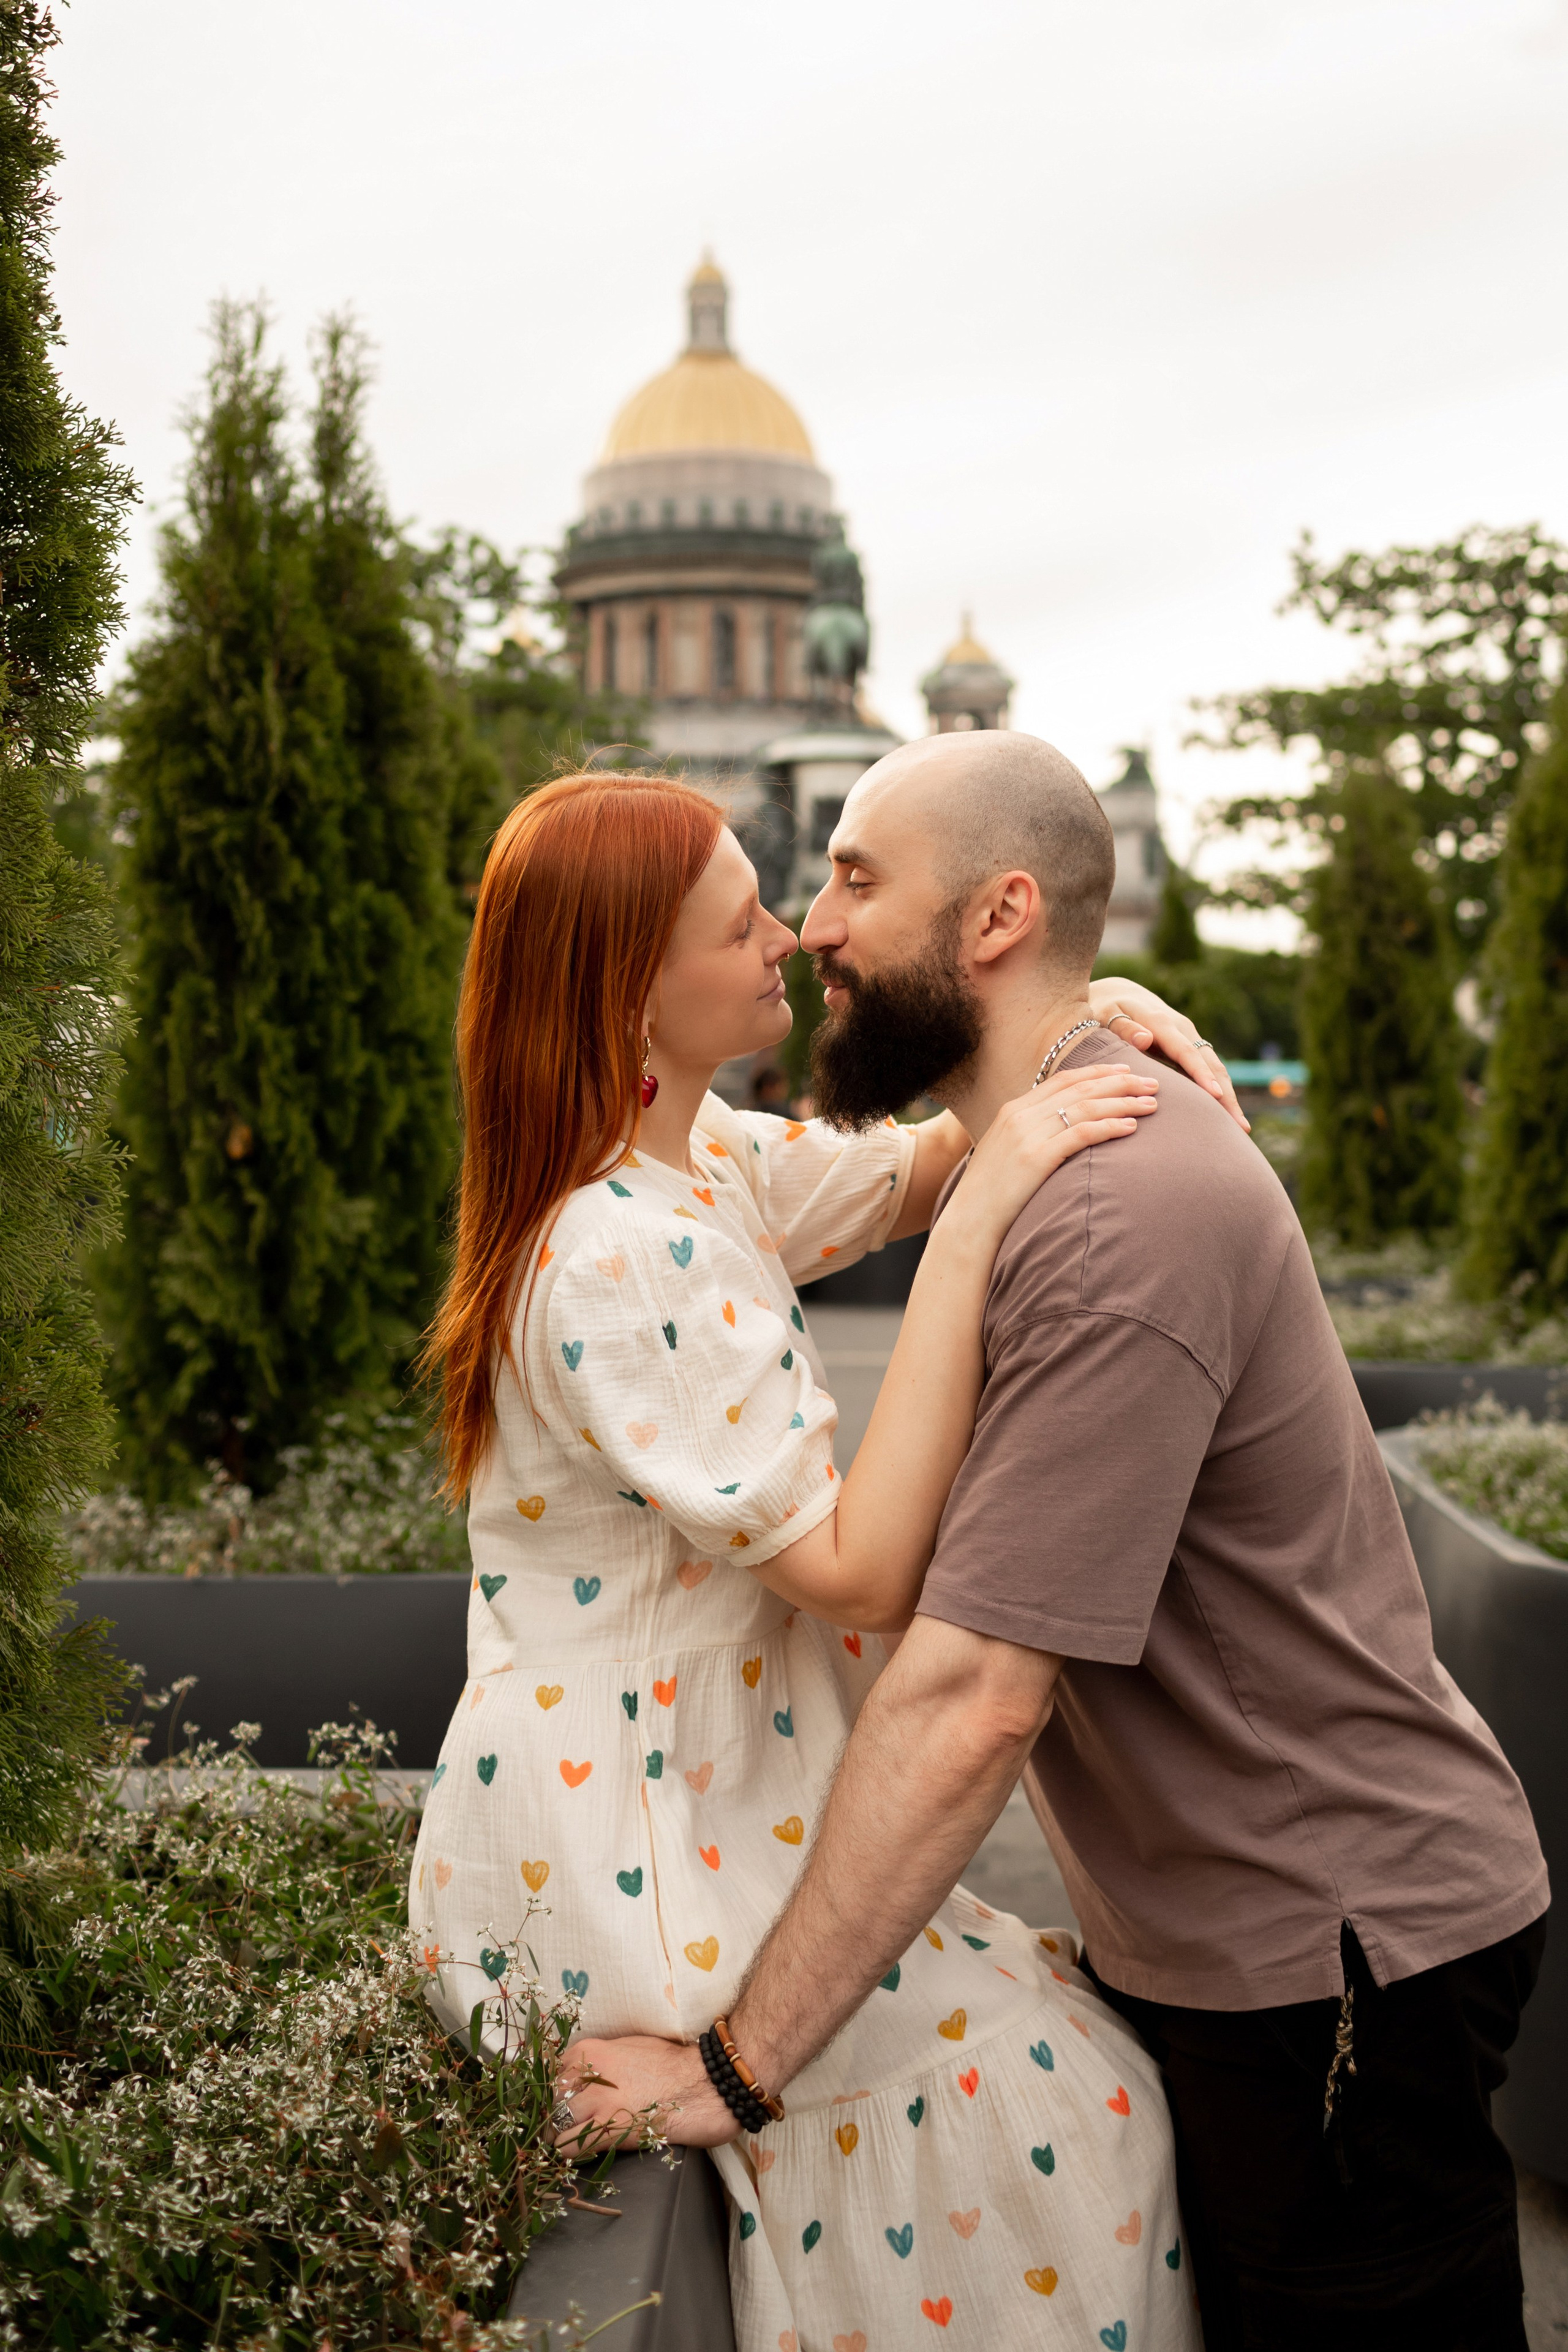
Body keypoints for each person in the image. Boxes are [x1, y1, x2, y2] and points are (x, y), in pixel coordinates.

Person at [573, 730, 1550, 2352]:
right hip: (1265, 1935)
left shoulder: (1110, 1210)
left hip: (1334, 1957)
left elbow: (976, 1695)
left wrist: (737, 2067)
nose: (816, 926)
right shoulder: (1055, 1142)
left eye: (857, 880)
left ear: (997, 916)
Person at [410, 767, 1229, 2352]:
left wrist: (1078, 1008)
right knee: (1075, 2113)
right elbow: (856, 1569)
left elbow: (914, 1165)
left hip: (704, 1787)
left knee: (1072, 2076)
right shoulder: (619, 1253)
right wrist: (980, 1228)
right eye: (743, 925)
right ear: (632, 996)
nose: (790, 938)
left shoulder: (695, 1162)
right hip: (644, 1834)